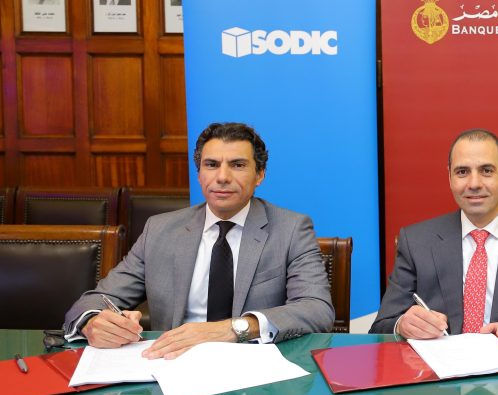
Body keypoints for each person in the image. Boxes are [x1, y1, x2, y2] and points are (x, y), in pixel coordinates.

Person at [63, 122, 334, 359]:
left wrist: (233, 328)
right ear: (199, 174)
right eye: (211, 165)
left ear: (259, 175)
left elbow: (316, 309)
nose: (222, 177)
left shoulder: (291, 229)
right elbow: (95, 300)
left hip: (257, 373)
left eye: (238, 165)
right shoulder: (160, 230)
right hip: (173, 367)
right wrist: (93, 323)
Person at [370, 128, 498, 342]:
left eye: (486, 171)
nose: (474, 184)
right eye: (462, 172)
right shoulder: (415, 242)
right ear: (450, 178)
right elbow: (381, 327)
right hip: (438, 363)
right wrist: (402, 324)